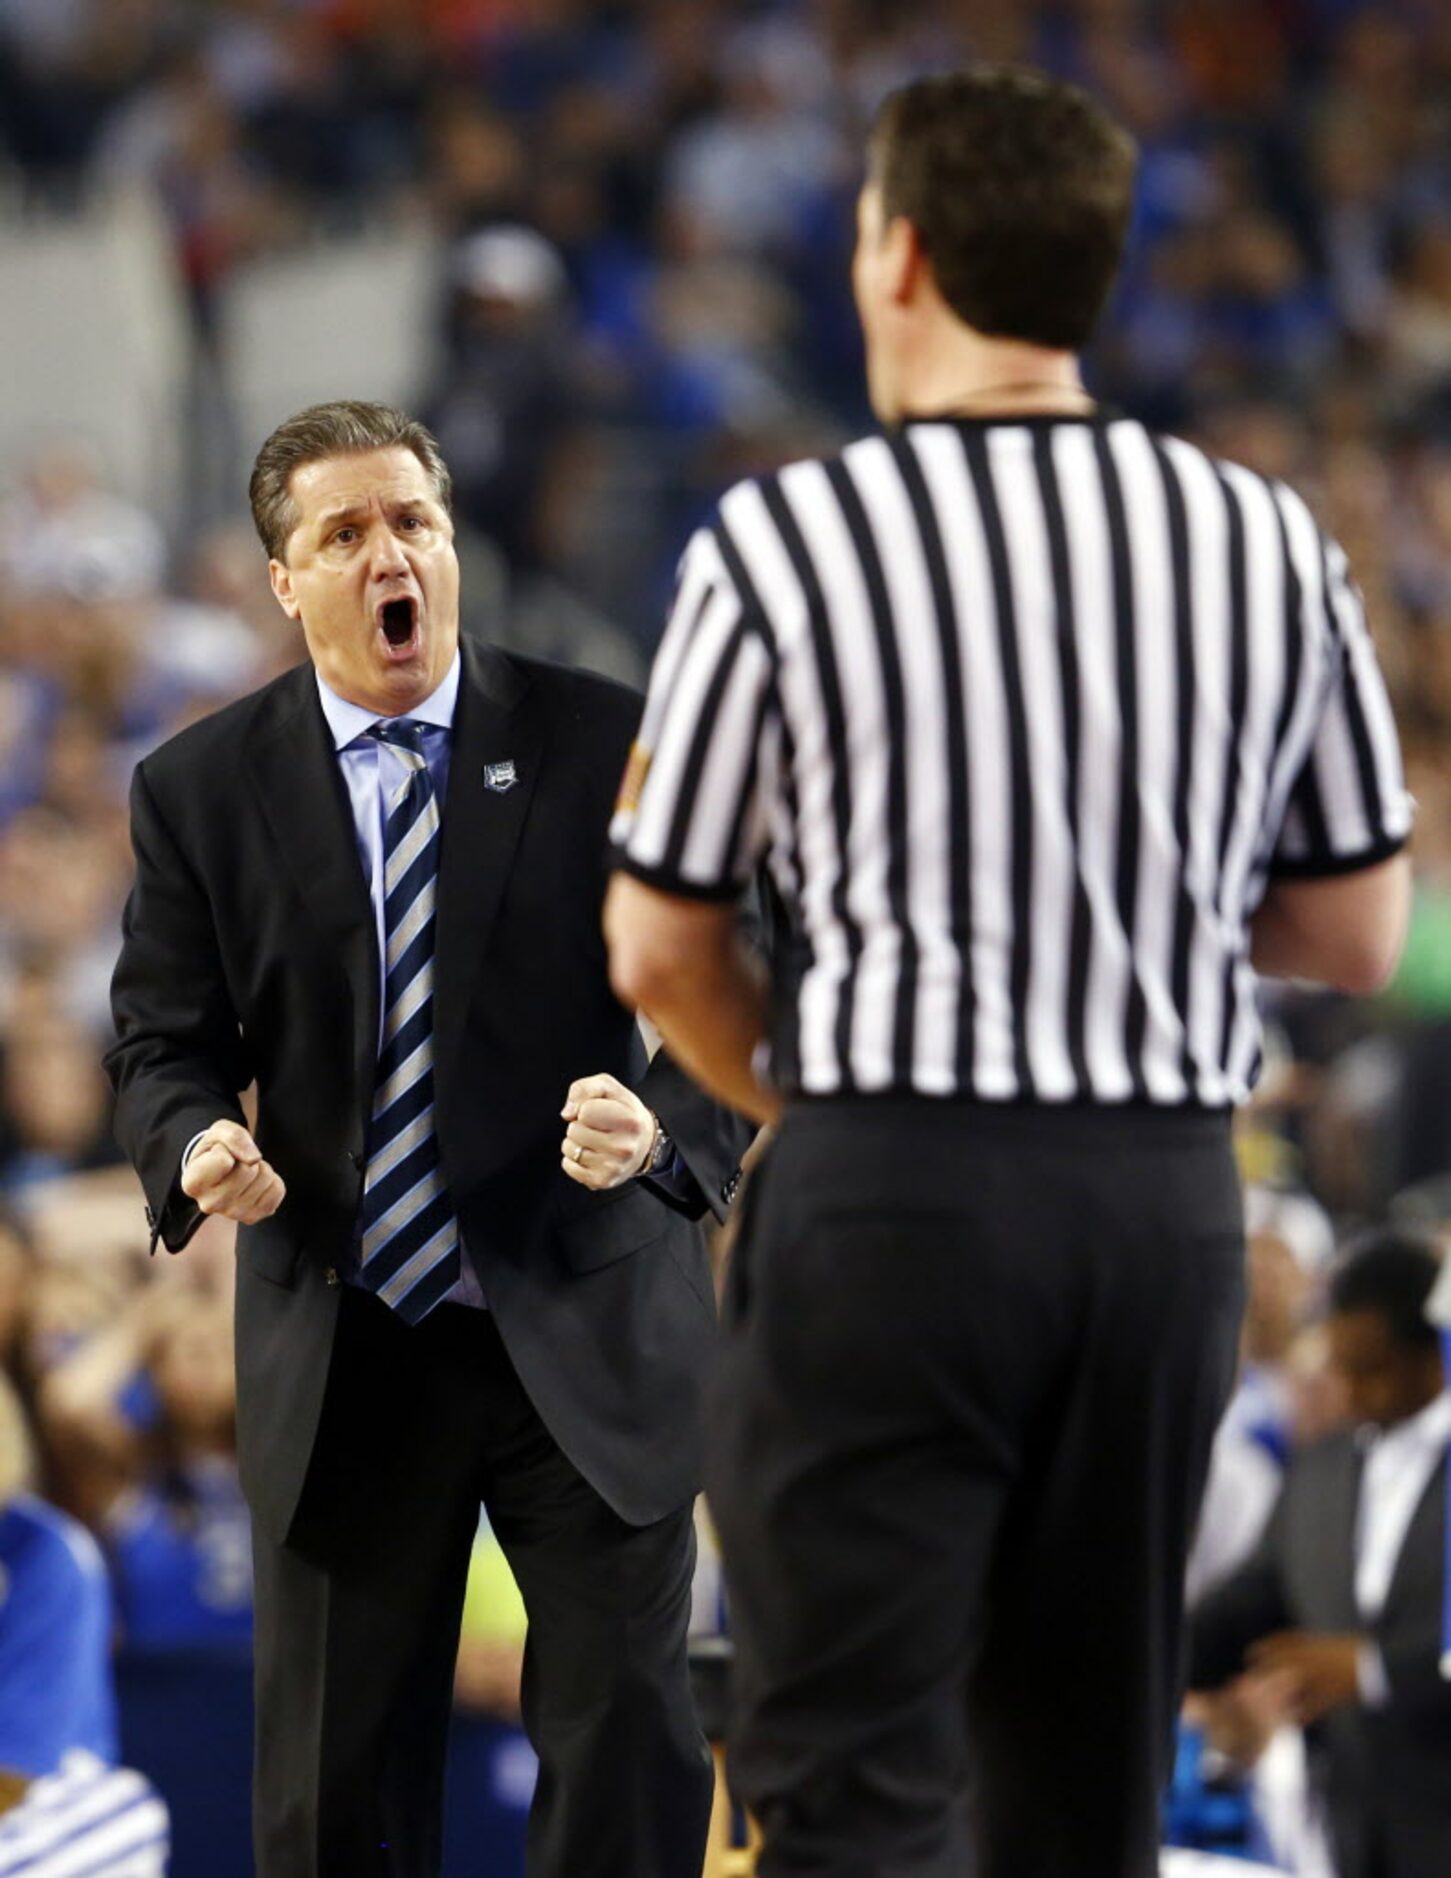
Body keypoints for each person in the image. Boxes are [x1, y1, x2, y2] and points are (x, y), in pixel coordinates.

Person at [604, 63, 1413, 1878]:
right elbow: (1356, 925)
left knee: (849, 1785)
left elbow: (658, 934)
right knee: (1078, 1788)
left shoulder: (791, 535)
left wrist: (805, 1100)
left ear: (894, 258)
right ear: (1098, 272)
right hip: (1156, 1206)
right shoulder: (1262, 535)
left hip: (891, 1183)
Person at [104, 400, 751, 1877]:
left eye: (412, 521)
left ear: (448, 548)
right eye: (344, 532)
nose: (387, 552)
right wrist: (197, 1139)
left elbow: (748, 968)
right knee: (334, 1800)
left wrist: (664, 1126)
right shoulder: (197, 791)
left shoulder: (602, 738)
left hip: (580, 1310)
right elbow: (161, 1040)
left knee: (626, 1754)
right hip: (347, 1335)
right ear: (285, 579)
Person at [1188, 1232, 1451, 1878]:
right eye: (1341, 1366)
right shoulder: (1319, 1471)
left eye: (1373, 1368)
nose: (1353, 1391)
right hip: (1349, 1832)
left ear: (1433, 1357)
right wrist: (1152, 1669)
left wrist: (1372, 1670)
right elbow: (1244, 1608)